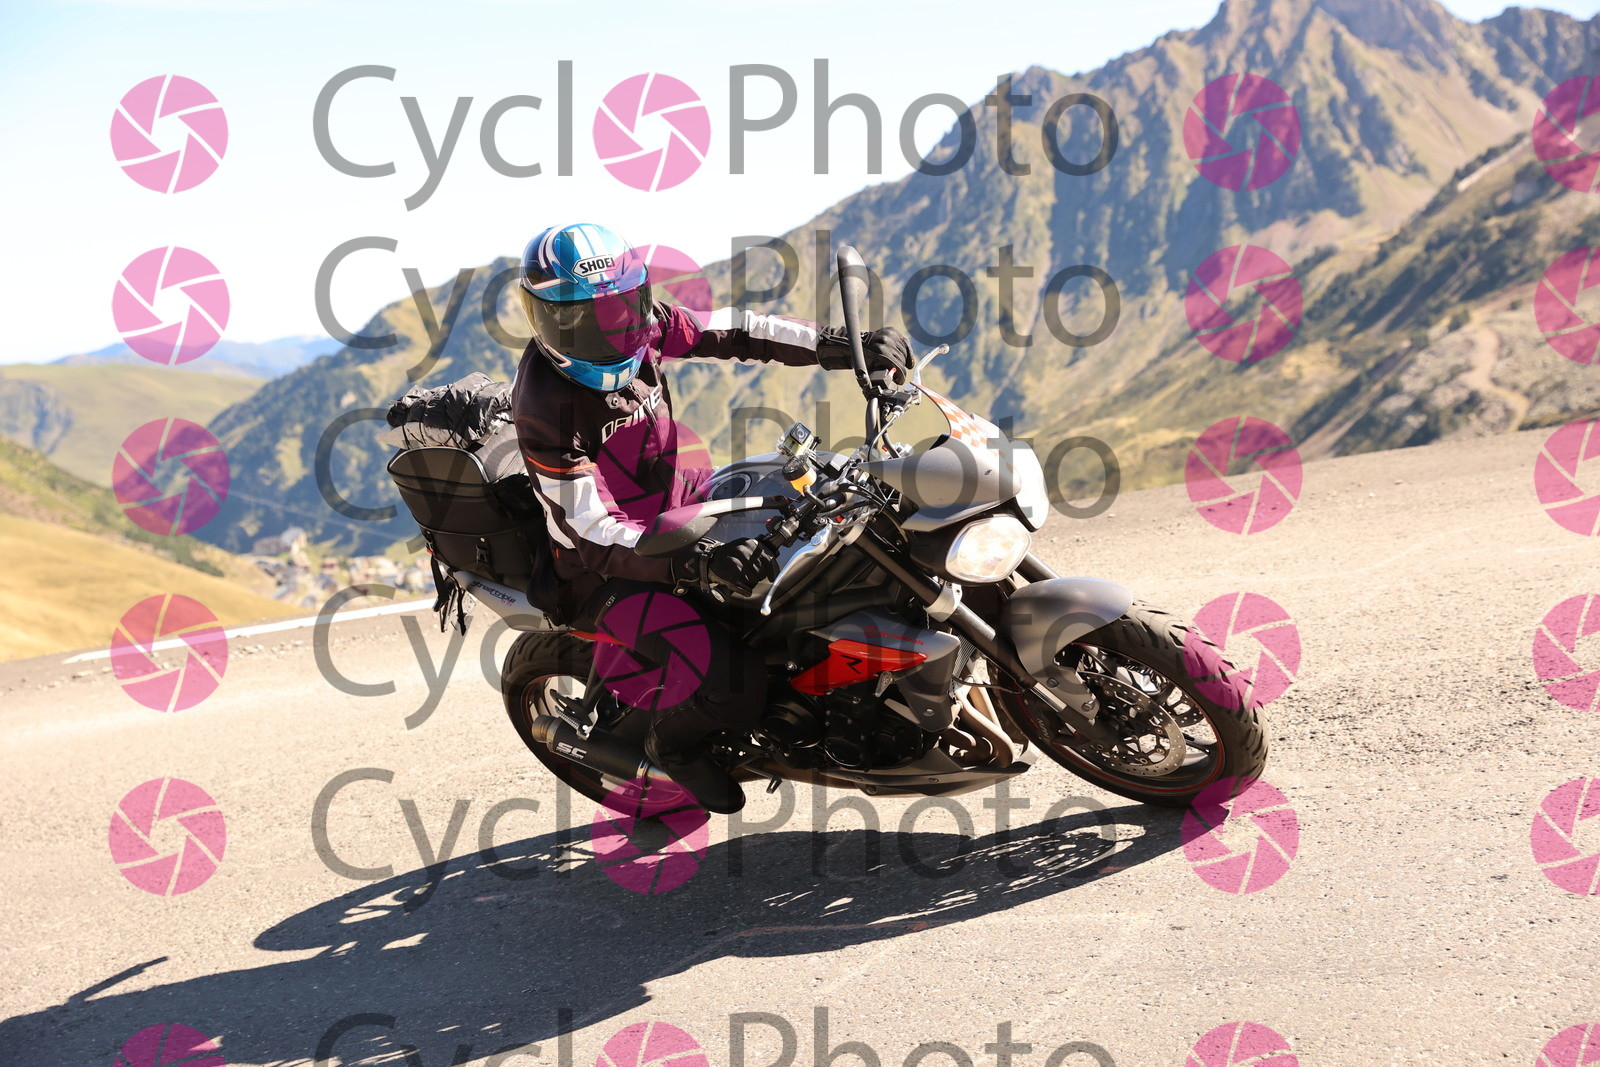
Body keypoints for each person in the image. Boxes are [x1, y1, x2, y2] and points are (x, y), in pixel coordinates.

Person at [510, 222, 911, 814]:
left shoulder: (637, 324)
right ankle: (672, 747)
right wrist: (694, 560)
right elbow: (590, 530)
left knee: (827, 524)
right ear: (544, 319)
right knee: (736, 684)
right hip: (608, 570)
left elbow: (735, 330)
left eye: (619, 308)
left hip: (684, 504)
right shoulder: (544, 407)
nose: (609, 328)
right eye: (581, 319)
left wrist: (837, 345)